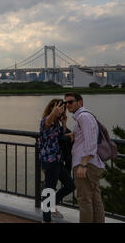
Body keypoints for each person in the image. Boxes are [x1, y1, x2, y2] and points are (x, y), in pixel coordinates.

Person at [64, 92, 105, 223]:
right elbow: (83, 136)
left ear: (79, 102)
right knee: (94, 199)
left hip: (85, 165)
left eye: (70, 102)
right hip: (90, 164)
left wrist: (83, 164)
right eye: (66, 103)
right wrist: (71, 134)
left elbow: (91, 141)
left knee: (84, 201)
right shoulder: (82, 117)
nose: (67, 105)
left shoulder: (84, 117)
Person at [39, 99, 75, 223]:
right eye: (59, 108)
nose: (61, 111)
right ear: (52, 108)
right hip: (49, 161)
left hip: (57, 161)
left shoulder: (57, 123)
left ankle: (49, 205)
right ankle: (46, 219)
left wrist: (64, 123)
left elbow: (61, 136)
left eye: (62, 109)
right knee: (49, 190)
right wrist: (54, 113)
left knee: (71, 185)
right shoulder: (46, 121)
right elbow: (47, 123)